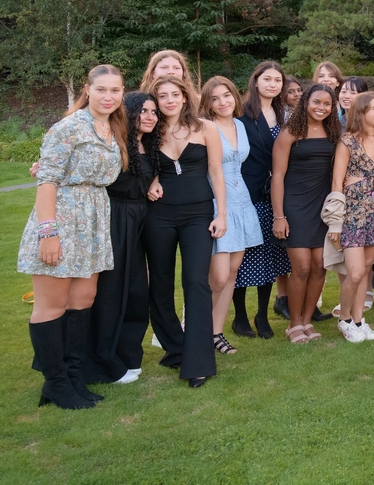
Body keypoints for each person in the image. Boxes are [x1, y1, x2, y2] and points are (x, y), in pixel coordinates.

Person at [21, 65, 127, 409]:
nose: (109, 96)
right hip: (64, 218)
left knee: (83, 299)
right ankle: (55, 383)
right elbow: (47, 181)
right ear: (88, 90)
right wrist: (48, 233)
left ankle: (73, 376)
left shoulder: (112, 128)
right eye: (102, 90)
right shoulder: (68, 127)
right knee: (51, 305)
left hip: (94, 220)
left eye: (115, 90)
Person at [144, 75, 227, 388]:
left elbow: (216, 172)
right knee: (160, 285)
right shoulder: (150, 129)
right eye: (162, 96)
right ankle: (175, 348)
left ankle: (198, 361)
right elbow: (136, 163)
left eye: (174, 94)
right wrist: (150, 181)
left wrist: (222, 213)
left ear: (184, 96)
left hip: (198, 214)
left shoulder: (206, 128)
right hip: (159, 215)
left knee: (196, 282)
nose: (168, 100)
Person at [83, 91, 157, 386]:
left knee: (137, 291)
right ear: (129, 112)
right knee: (111, 291)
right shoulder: (115, 143)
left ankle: (127, 355)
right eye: (143, 111)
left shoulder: (149, 144)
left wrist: (155, 182)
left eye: (153, 111)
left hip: (139, 222)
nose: (150, 116)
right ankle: (102, 359)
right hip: (115, 219)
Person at [271, 84, 340, 344]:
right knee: (300, 267)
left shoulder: (334, 132)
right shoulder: (290, 133)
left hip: (323, 207)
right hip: (295, 205)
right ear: (305, 103)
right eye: (316, 102)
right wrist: (279, 216)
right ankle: (294, 323)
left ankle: (308, 320)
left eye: (326, 104)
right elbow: (277, 176)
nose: (321, 108)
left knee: (320, 266)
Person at [325, 92, 374, 343]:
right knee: (354, 272)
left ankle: (358, 320)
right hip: (352, 214)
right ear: (360, 113)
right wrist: (335, 220)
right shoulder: (347, 142)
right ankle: (344, 320)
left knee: (365, 271)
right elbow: (336, 181)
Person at [201, 77, 263, 357]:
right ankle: (196, 329)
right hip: (217, 202)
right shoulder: (204, 127)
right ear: (208, 103)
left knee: (233, 273)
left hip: (242, 201)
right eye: (215, 98)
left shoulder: (239, 124)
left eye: (227, 95)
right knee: (218, 276)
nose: (223, 101)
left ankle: (215, 332)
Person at [232, 62, 293, 339]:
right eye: (267, 79)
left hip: (277, 195)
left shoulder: (286, 115)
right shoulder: (240, 114)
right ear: (255, 81)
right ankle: (241, 316)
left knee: (272, 255)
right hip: (249, 192)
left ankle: (262, 314)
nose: (272, 84)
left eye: (277, 80)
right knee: (244, 257)